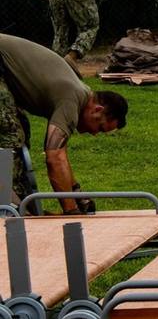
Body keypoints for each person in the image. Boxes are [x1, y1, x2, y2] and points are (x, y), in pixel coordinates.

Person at [0, 34, 127, 212]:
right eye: (100, 127)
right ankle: (9, 208)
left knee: (20, 132)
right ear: (97, 110)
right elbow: (54, 159)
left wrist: (77, 194)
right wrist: (71, 212)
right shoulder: (72, 99)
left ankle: (19, 207)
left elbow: (61, 155)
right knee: (10, 133)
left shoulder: (80, 94)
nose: (94, 133)